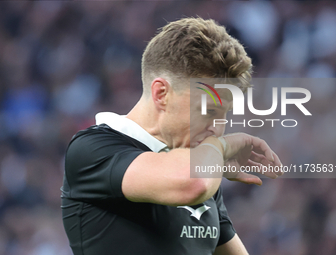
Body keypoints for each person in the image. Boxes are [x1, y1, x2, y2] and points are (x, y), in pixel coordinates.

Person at [61, 17, 283, 255]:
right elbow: (192, 183)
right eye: (208, 111)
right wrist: (222, 147)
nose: (217, 129)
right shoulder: (92, 149)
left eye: (224, 115)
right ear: (161, 93)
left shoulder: (199, 166)